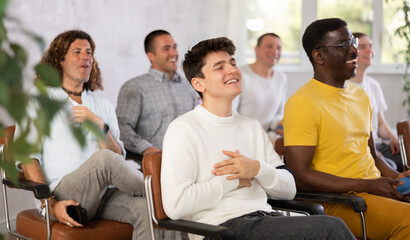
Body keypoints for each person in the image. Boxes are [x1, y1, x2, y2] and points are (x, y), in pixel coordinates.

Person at [161, 37, 355, 240]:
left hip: (265, 220)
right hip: (222, 230)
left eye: (233, 64)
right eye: (220, 67)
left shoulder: (250, 126)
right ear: (199, 83)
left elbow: (289, 188)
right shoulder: (183, 129)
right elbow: (176, 205)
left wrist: (257, 169)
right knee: (330, 228)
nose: (232, 70)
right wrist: (233, 181)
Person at [283, 18, 410, 239]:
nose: (354, 50)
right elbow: (300, 176)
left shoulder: (361, 96)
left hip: (370, 191)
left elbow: (372, 155)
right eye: (343, 45)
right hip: (338, 201)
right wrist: (369, 186)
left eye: (353, 41)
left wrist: (397, 179)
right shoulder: (303, 102)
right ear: (319, 56)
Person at [19, 30, 149, 239]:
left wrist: (100, 127)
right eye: (77, 52)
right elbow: (28, 158)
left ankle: (160, 198)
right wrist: (50, 204)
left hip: (101, 195)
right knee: (103, 160)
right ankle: (165, 194)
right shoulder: (39, 99)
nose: (86, 57)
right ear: (59, 61)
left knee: (145, 208)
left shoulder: (102, 105)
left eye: (89, 52)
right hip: (63, 196)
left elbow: (119, 159)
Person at [116, 30, 198, 161]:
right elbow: (122, 127)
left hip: (191, 161)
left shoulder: (190, 85)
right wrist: (147, 149)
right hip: (154, 165)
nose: (174, 53)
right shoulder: (135, 86)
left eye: (174, 47)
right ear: (151, 56)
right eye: (166, 49)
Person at [349, 32, 402, 171]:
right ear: (351, 52)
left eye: (370, 46)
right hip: (359, 149)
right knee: (392, 167)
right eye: (363, 47)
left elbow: (380, 123)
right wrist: (370, 152)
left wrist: (392, 136)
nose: (370, 51)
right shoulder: (344, 87)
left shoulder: (373, 85)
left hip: (379, 145)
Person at [232, 33, 286, 141]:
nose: (275, 52)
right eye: (269, 46)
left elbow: (279, 113)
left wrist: (278, 125)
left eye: (279, 48)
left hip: (267, 138)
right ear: (256, 50)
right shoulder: (240, 74)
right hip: (242, 137)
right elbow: (232, 111)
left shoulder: (281, 78)